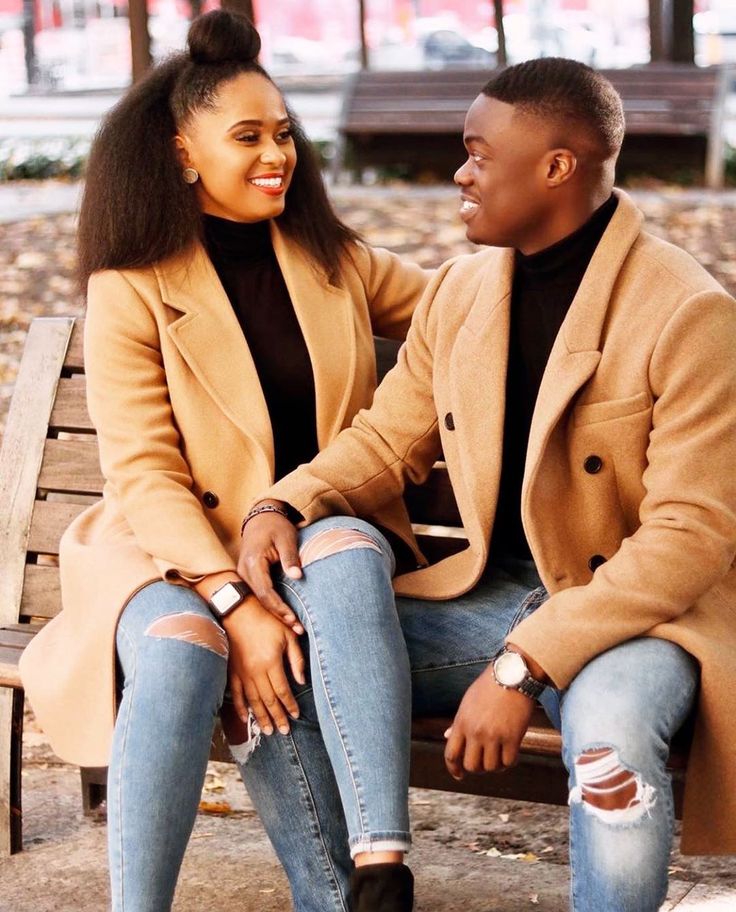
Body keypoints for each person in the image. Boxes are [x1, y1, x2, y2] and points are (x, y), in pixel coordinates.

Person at [238, 58, 736, 912]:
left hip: (637, 612)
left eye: (476, 154)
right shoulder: (463, 293)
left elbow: (689, 537)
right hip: (491, 598)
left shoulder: (688, 312)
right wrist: (286, 501)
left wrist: (522, 668)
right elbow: (387, 440)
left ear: (555, 167)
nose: (460, 175)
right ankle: (348, 898)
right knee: (273, 661)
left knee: (608, 738)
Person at [19, 10, 431, 912]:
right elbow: (145, 471)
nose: (276, 153)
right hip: (166, 549)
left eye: (283, 133)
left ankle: (361, 883)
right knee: (183, 652)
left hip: (306, 543)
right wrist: (231, 599)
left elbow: (461, 314)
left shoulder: (334, 259)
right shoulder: (131, 286)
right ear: (181, 152)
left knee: (304, 600)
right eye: (246, 136)